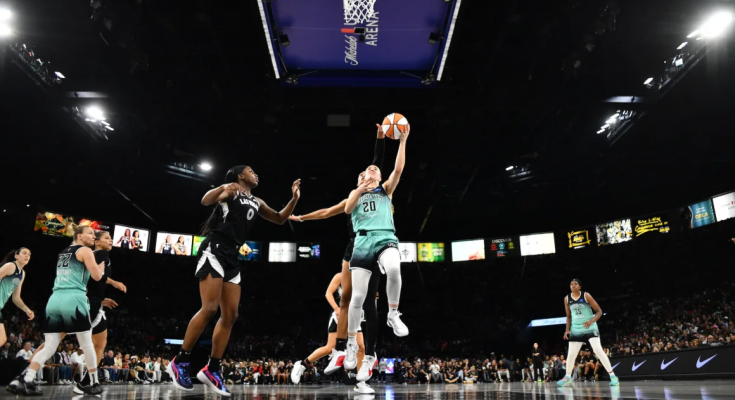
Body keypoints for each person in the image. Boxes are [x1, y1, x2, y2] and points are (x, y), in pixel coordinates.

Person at [168, 165, 301, 397]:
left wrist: (294, 199)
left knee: (231, 315)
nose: (256, 173)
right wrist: (222, 186)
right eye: (251, 170)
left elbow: (280, 219)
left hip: (233, 255)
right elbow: (205, 201)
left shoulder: (257, 200)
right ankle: (180, 361)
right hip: (215, 249)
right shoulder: (231, 191)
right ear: (240, 176)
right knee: (209, 308)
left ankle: (213, 369)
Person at [288, 125, 386, 393]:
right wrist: (302, 216)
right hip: (354, 248)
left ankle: (357, 375)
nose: (367, 176)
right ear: (358, 182)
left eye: (369, 175)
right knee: (346, 302)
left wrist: (379, 139)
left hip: (372, 247)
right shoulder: (352, 199)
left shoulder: (379, 193)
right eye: (362, 176)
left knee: (365, 317)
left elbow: (377, 163)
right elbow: (325, 212)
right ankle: (336, 354)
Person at [16, 231, 127, 390]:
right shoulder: (95, 253)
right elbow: (95, 277)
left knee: (51, 345)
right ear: (81, 236)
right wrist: (112, 282)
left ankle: (24, 376)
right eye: (105, 238)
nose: (110, 241)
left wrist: (100, 297)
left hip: (58, 297)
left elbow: (81, 277)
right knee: (90, 344)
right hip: (77, 300)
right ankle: (90, 382)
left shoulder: (64, 252)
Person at [343, 125, 410, 387]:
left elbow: (398, 170)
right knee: (357, 298)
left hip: (384, 237)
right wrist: (360, 187)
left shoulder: (385, 191)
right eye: (364, 171)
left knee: (394, 269)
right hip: (362, 241)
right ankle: (350, 343)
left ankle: (393, 313)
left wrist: (402, 141)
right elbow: (348, 209)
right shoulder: (355, 194)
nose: (369, 171)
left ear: (379, 177)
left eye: (373, 169)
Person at [291, 272, 366, 384]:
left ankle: (361, 382)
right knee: (330, 348)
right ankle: (303, 364)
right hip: (339, 315)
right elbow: (328, 293)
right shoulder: (340, 276)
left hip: (354, 315)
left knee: (361, 347)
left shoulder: (361, 276)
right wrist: (336, 308)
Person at [557, 279, 619, 387]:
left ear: (580, 286)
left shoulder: (586, 295)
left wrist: (591, 321)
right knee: (571, 354)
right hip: (576, 327)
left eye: (575, 284)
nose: (573, 286)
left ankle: (613, 376)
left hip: (590, 326)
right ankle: (567, 377)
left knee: (598, 350)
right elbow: (568, 316)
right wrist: (567, 330)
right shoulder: (567, 299)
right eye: (571, 284)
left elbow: (599, 311)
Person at [0, 247, 34, 348]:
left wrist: (26, 309)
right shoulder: (10, 266)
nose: (27, 256)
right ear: (16, 256)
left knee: (2, 339)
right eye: (24, 253)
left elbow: (16, 298)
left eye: (29, 254)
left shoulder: (21, 274)